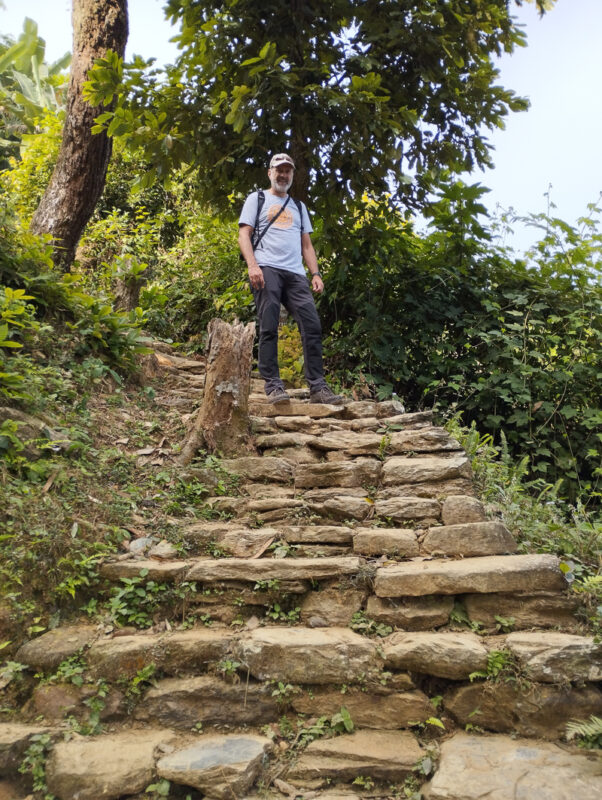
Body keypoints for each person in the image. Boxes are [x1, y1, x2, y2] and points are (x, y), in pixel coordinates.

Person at [238, 153, 343, 405]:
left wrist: (315, 273)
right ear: (270, 173)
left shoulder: (299, 206)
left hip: (295, 273)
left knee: (312, 325)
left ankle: (318, 388)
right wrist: (253, 265)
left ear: (292, 175)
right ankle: (273, 386)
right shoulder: (257, 198)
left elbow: (306, 244)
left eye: (288, 171)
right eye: (279, 170)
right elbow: (244, 234)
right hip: (266, 268)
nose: (283, 175)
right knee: (269, 324)